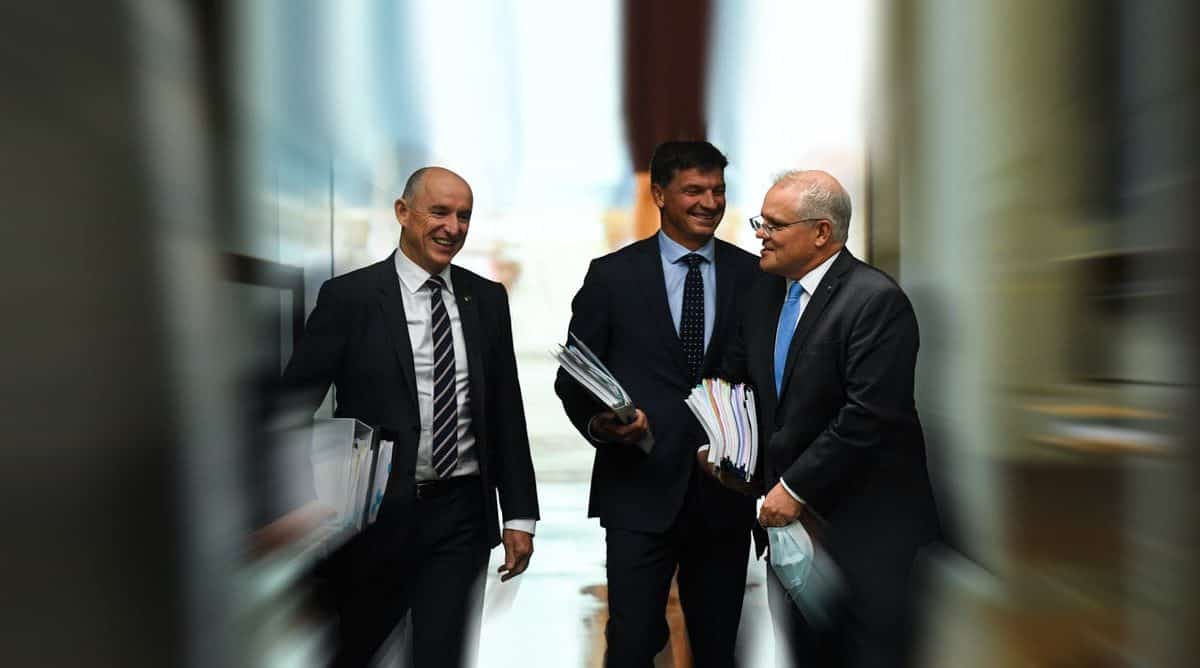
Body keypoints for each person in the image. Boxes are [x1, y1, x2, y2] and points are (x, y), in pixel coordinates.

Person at [280, 166, 540, 667]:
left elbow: (506, 411)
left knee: (441, 656)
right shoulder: (350, 298)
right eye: (439, 212)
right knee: (357, 653)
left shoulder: (487, 300)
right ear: (403, 212)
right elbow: (295, 402)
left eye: (464, 216)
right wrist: (301, 500)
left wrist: (520, 515)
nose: (453, 228)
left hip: (461, 516)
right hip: (371, 518)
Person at [555, 141, 761, 666]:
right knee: (631, 644)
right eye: (694, 190)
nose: (709, 202)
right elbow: (573, 378)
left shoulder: (756, 276)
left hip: (723, 494)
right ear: (660, 194)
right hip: (638, 491)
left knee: (718, 649)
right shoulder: (611, 277)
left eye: (717, 190)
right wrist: (602, 425)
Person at [722, 170, 940, 667]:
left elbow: (870, 414)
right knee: (805, 655)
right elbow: (741, 385)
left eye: (774, 225)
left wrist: (793, 488)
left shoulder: (875, 300)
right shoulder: (764, 296)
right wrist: (725, 448)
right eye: (760, 222)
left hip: (868, 529)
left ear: (821, 232)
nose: (761, 234)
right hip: (790, 533)